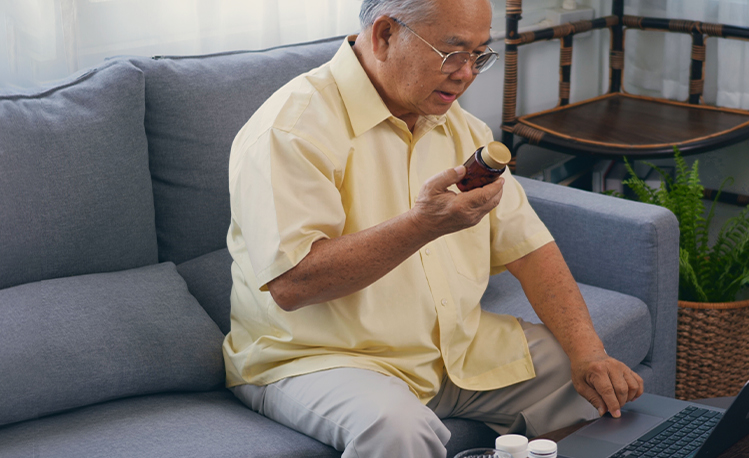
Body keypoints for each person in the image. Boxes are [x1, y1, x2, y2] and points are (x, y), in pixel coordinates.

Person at [220, 0, 642, 456]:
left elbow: (529, 248)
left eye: (480, 54)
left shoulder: (461, 128)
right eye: (452, 53)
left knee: (595, 387)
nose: (466, 74)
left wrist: (589, 353)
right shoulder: (292, 128)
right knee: (395, 428)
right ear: (384, 35)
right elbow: (292, 283)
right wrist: (422, 226)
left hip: (454, 349)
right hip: (320, 360)